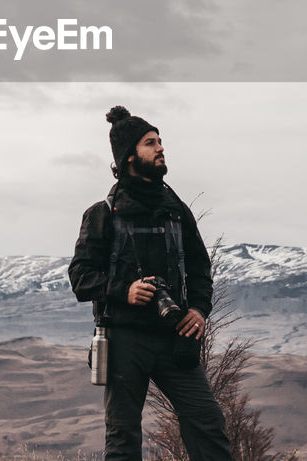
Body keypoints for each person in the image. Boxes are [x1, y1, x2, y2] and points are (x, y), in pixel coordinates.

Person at [69, 105, 233, 461]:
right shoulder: (103, 213)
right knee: (123, 437)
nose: (160, 148)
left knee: (208, 421)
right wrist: (123, 291)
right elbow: (80, 277)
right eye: (150, 143)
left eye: (160, 141)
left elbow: (200, 268)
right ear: (129, 156)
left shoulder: (176, 209)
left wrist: (199, 310)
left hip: (175, 336)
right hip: (124, 337)